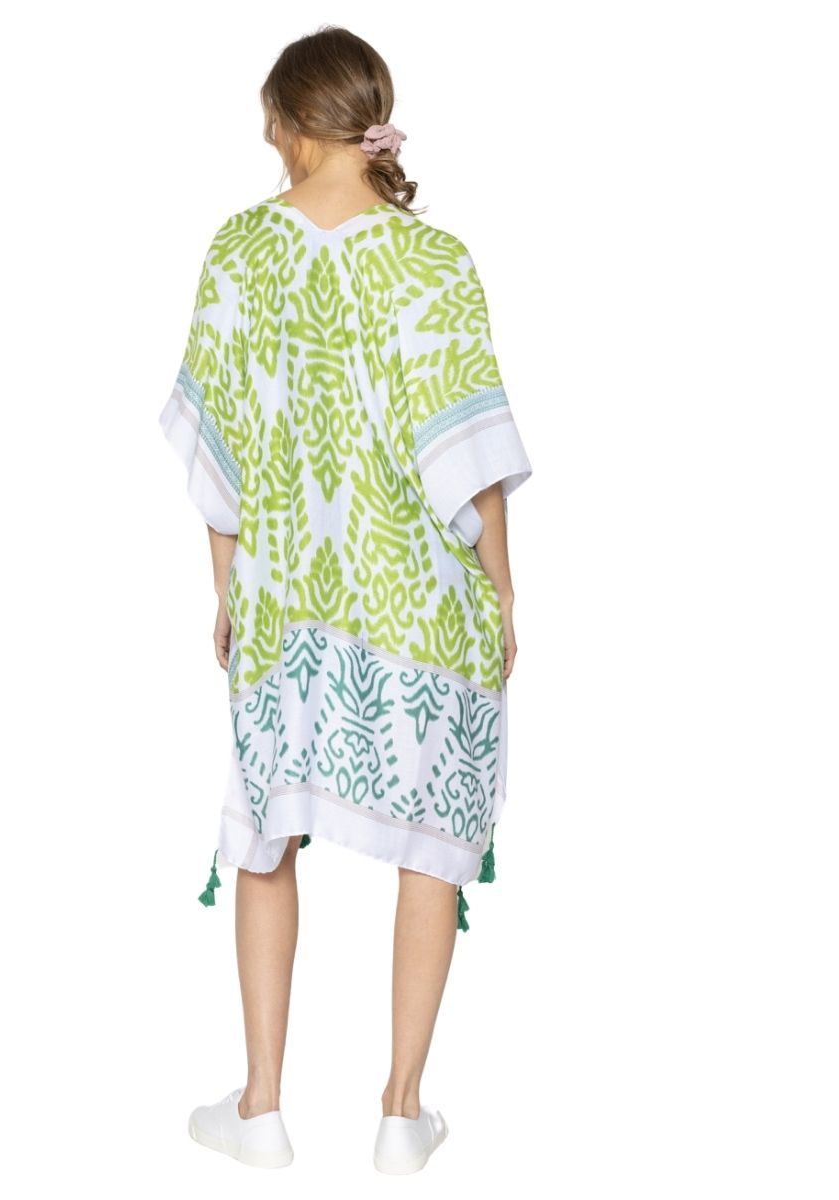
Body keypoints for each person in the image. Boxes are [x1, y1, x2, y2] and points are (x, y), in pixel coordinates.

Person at [157, 26, 532, 1174]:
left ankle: (261, 1108)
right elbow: (467, 453)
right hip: (421, 611)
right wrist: (503, 594)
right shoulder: (434, 262)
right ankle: (401, 1114)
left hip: (289, 606)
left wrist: (227, 592)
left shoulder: (240, 253)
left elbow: (219, 457)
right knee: (432, 841)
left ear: (287, 122)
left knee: (269, 831)